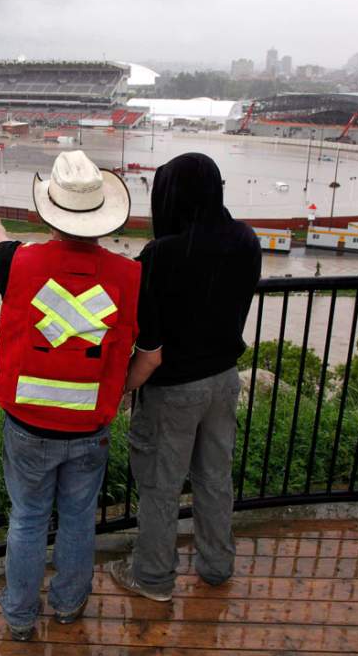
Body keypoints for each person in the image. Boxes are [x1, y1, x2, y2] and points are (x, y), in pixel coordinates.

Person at [0, 150, 141, 640]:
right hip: (91, 424)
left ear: (51, 209)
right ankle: (69, 606)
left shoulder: (18, 264)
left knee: (27, 519)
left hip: (27, 422)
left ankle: (20, 618)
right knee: (76, 520)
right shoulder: (130, 277)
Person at [107, 152, 261, 601]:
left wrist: (121, 387)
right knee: (215, 478)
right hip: (224, 381)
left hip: (172, 390)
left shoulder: (161, 255)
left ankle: (153, 578)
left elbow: (148, 345)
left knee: (160, 485)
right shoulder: (245, 240)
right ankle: (217, 566)